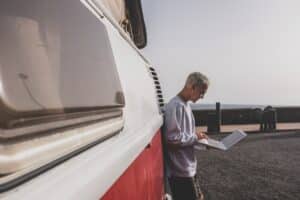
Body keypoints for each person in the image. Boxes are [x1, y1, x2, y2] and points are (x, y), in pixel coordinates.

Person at [163, 72, 209, 200]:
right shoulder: (175, 106)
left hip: (188, 167)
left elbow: (184, 136)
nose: (202, 96)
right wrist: (195, 138)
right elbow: (172, 141)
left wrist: (200, 139)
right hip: (180, 171)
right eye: (201, 92)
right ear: (192, 87)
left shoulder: (185, 105)